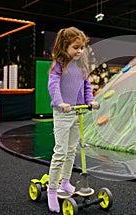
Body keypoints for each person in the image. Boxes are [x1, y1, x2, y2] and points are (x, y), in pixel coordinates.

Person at [47, 26, 99, 213]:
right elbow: (53, 86)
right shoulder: (59, 65)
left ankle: (66, 182)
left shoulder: (82, 66)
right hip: (62, 113)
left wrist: (90, 101)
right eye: (75, 47)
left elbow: (86, 87)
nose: (79, 51)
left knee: (71, 151)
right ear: (64, 47)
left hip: (77, 112)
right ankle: (52, 190)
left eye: (81, 47)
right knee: (60, 152)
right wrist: (59, 102)